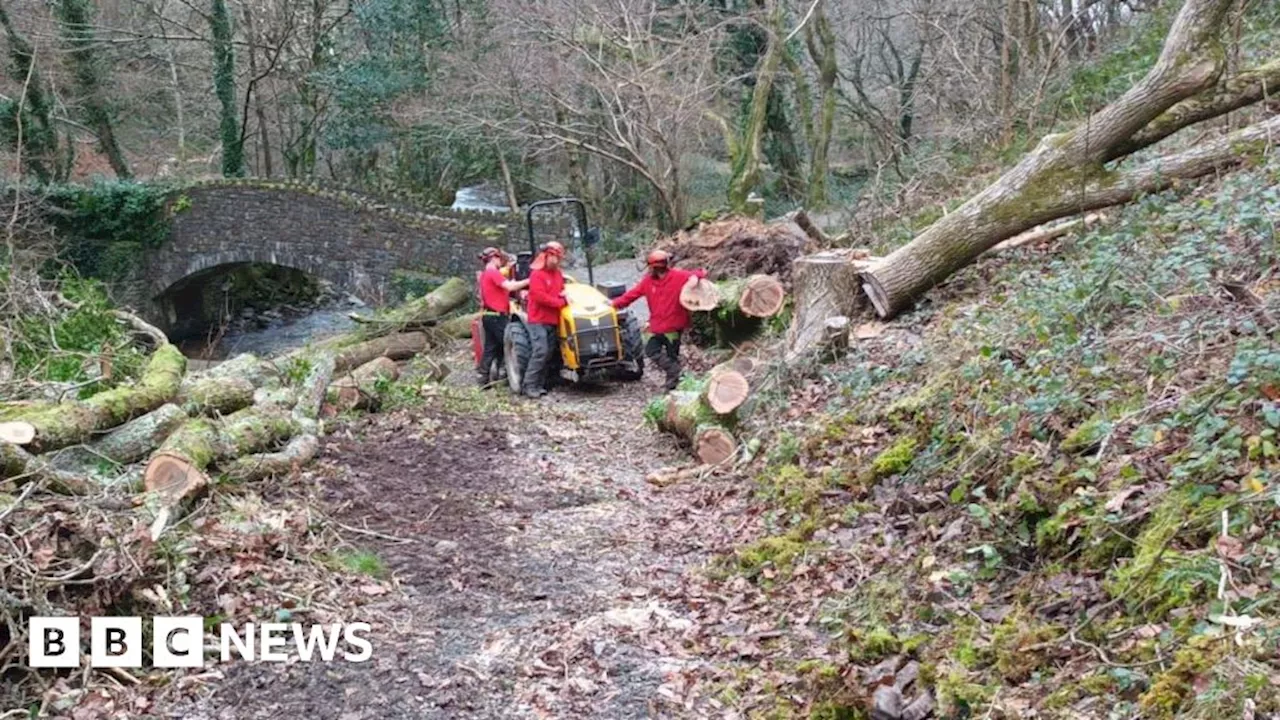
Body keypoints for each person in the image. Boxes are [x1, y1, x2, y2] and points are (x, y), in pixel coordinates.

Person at [611, 249, 706, 391]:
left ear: (652, 267)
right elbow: (632, 295)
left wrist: (695, 278)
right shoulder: (648, 282)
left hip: (674, 326)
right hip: (657, 326)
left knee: (670, 354)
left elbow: (701, 272)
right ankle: (675, 373)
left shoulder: (678, 276)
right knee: (652, 350)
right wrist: (614, 304)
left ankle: (672, 385)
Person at [476, 247, 528, 387]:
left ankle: (484, 377)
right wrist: (529, 281)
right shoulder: (493, 272)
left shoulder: (486, 273)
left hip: (489, 315)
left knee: (491, 347)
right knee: (508, 345)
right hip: (497, 316)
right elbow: (510, 287)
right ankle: (508, 374)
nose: (501, 261)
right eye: (499, 258)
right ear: (494, 258)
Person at [523, 241, 568, 398]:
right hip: (538, 319)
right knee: (540, 351)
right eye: (556, 257)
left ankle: (544, 382)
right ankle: (530, 385)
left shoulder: (558, 274)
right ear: (548, 256)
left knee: (550, 351)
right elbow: (539, 296)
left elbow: (562, 290)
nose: (558, 261)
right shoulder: (537, 275)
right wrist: (560, 302)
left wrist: (565, 296)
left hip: (552, 319)